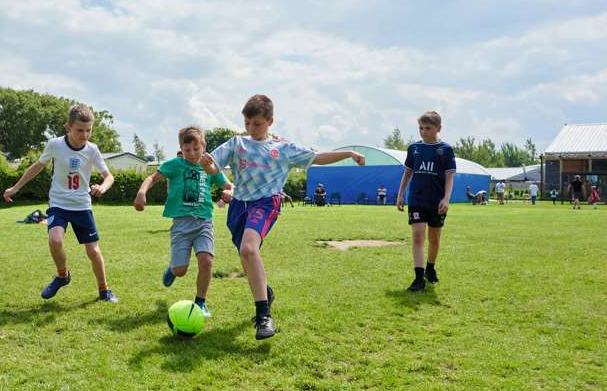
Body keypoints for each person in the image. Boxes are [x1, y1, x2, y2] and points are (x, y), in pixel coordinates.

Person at [204, 94, 366, 340]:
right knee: (247, 258)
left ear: (270, 121)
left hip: (267, 203)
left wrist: (349, 153)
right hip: (239, 206)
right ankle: (265, 292)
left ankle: (264, 316)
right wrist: (208, 166)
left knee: (249, 249)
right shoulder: (236, 143)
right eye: (247, 123)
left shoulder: (283, 148)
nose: (251, 129)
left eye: (257, 124)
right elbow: (214, 166)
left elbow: (317, 157)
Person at [3, 104, 118, 303]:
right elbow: (37, 166)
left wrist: (103, 187)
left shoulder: (93, 150)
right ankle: (62, 275)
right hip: (58, 203)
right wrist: (15, 187)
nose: (84, 135)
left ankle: (104, 290)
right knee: (55, 240)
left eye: (88, 130)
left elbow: (109, 177)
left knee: (93, 251)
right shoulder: (55, 145)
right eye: (79, 130)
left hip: (82, 205)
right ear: (68, 127)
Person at [134, 126, 233, 318]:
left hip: (204, 222)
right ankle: (173, 269)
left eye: (196, 149)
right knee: (181, 270)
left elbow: (228, 184)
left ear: (203, 147)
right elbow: (152, 178)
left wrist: (229, 191)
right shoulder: (175, 165)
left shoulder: (210, 167)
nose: (192, 154)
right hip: (181, 224)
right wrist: (141, 192)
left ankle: (201, 302)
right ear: (181, 148)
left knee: (206, 261)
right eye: (187, 150)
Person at [396, 111, 456, 292]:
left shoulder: (445, 150)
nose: (423, 131)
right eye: (421, 128)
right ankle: (418, 278)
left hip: (436, 202)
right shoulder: (414, 148)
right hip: (416, 199)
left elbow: (449, 177)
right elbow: (407, 173)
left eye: (428, 128)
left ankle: (430, 268)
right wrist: (400, 195)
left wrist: (446, 199)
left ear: (439, 128)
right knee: (417, 237)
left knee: (434, 240)